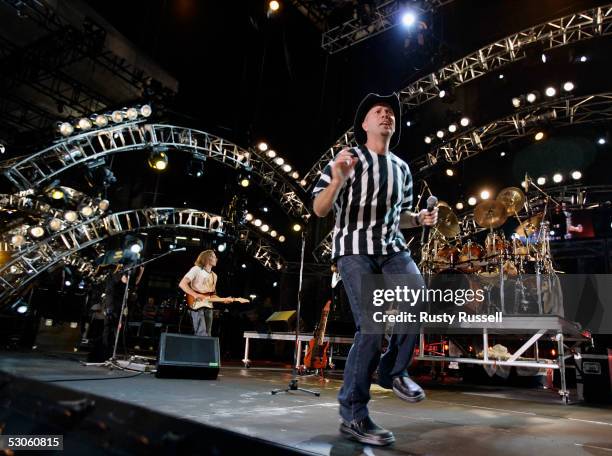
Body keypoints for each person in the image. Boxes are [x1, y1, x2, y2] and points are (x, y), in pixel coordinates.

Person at [312, 92, 438, 446]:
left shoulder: (401, 168)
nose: (386, 115)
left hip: (391, 249)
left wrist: (421, 218)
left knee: (417, 297)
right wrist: (337, 179)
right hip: (354, 250)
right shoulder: (347, 159)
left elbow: (401, 218)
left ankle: (392, 370)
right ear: (364, 124)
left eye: (390, 113)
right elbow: (320, 210)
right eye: (377, 111)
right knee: (371, 324)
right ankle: (354, 413)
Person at [179, 250, 227, 337]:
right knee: (201, 333)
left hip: (208, 305)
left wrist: (223, 300)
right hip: (196, 304)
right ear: (207, 258)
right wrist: (196, 295)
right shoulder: (196, 269)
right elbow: (182, 284)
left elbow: (212, 295)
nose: (216, 259)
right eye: (214, 256)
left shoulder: (214, 276)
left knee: (208, 334)